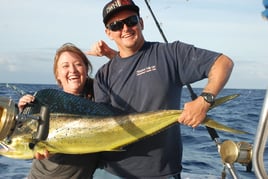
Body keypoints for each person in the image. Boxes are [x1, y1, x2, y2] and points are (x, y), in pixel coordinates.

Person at [91, 0, 234, 178]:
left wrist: (205, 100)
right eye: (116, 25)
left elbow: (223, 63)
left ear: (141, 23)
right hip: (110, 172)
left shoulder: (170, 54)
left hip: (160, 173)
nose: (125, 28)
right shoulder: (103, 75)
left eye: (131, 21)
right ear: (108, 33)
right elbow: (101, 124)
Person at [18, 43, 115, 179]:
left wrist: (110, 54)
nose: (73, 70)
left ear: (86, 69)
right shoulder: (44, 103)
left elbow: (130, 72)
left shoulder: (100, 98)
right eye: (65, 66)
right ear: (57, 75)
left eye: (78, 64)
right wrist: (25, 112)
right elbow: (22, 139)